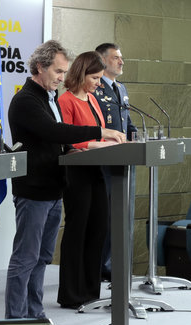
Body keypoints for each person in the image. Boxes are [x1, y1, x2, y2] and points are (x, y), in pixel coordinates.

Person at [5, 40, 126, 325]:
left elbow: (54, 141)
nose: (62, 77)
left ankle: (36, 317)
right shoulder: (26, 100)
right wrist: (100, 130)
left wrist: (69, 151)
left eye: (63, 72)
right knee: (26, 258)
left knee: (43, 257)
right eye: (58, 71)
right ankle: (14, 323)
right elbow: (52, 131)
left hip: (53, 187)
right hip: (33, 189)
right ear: (40, 67)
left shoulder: (47, 96)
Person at [56, 51, 121, 309]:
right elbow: (69, 138)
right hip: (77, 172)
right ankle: (72, 293)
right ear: (81, 73)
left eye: (100, 77)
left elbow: (99, 134)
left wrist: (112, 140)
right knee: (78, 229)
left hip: (97, 169)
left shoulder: (93, 100)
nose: (98, 82)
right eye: (94, 77)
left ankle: (90, 290)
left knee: (98, 228)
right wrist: (97, 142)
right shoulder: (66, 100)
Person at [93, 43, 137, 281]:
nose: (121, 62)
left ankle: (119, 265)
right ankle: (104, 267)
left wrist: (137, 138)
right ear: (102, 60)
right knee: (107, 216)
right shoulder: (95, 90)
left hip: (125, 159)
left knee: (123, 216)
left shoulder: (121, 88)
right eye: (116, 58)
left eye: (122, 57)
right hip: (105, 160)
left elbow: (127, 121)